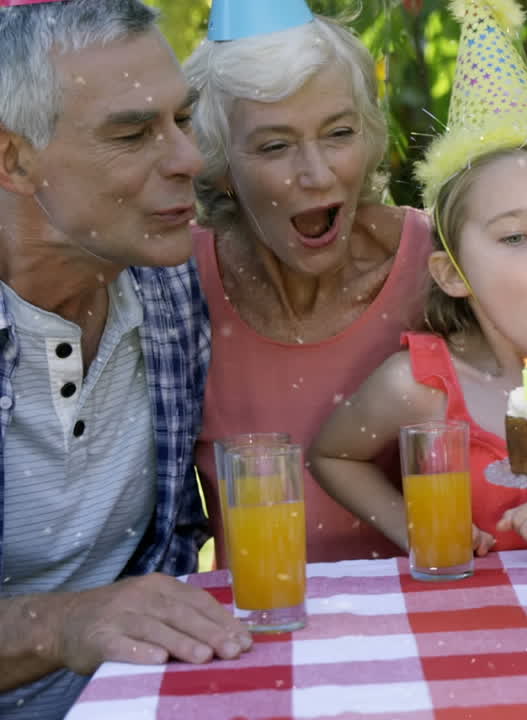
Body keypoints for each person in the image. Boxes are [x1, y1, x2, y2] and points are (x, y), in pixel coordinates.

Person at [310, 0, 527, 560]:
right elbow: (332, 455)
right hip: (480, 636)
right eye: (515, 237)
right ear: (453, 273)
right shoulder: (421, 388)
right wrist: (415, 527)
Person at [0, 1, 250, 717]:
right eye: (134, 133)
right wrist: (65, 625)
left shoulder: (167, 282)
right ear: (13, 159)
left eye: (181, 118)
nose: (188, 159)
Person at [182, 0, 434, 565]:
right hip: (257, 631)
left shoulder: (442, 268)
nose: (318, 174)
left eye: (339, 133)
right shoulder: (174, 290)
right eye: (275, 145)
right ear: (219, 165)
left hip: (430, 618)